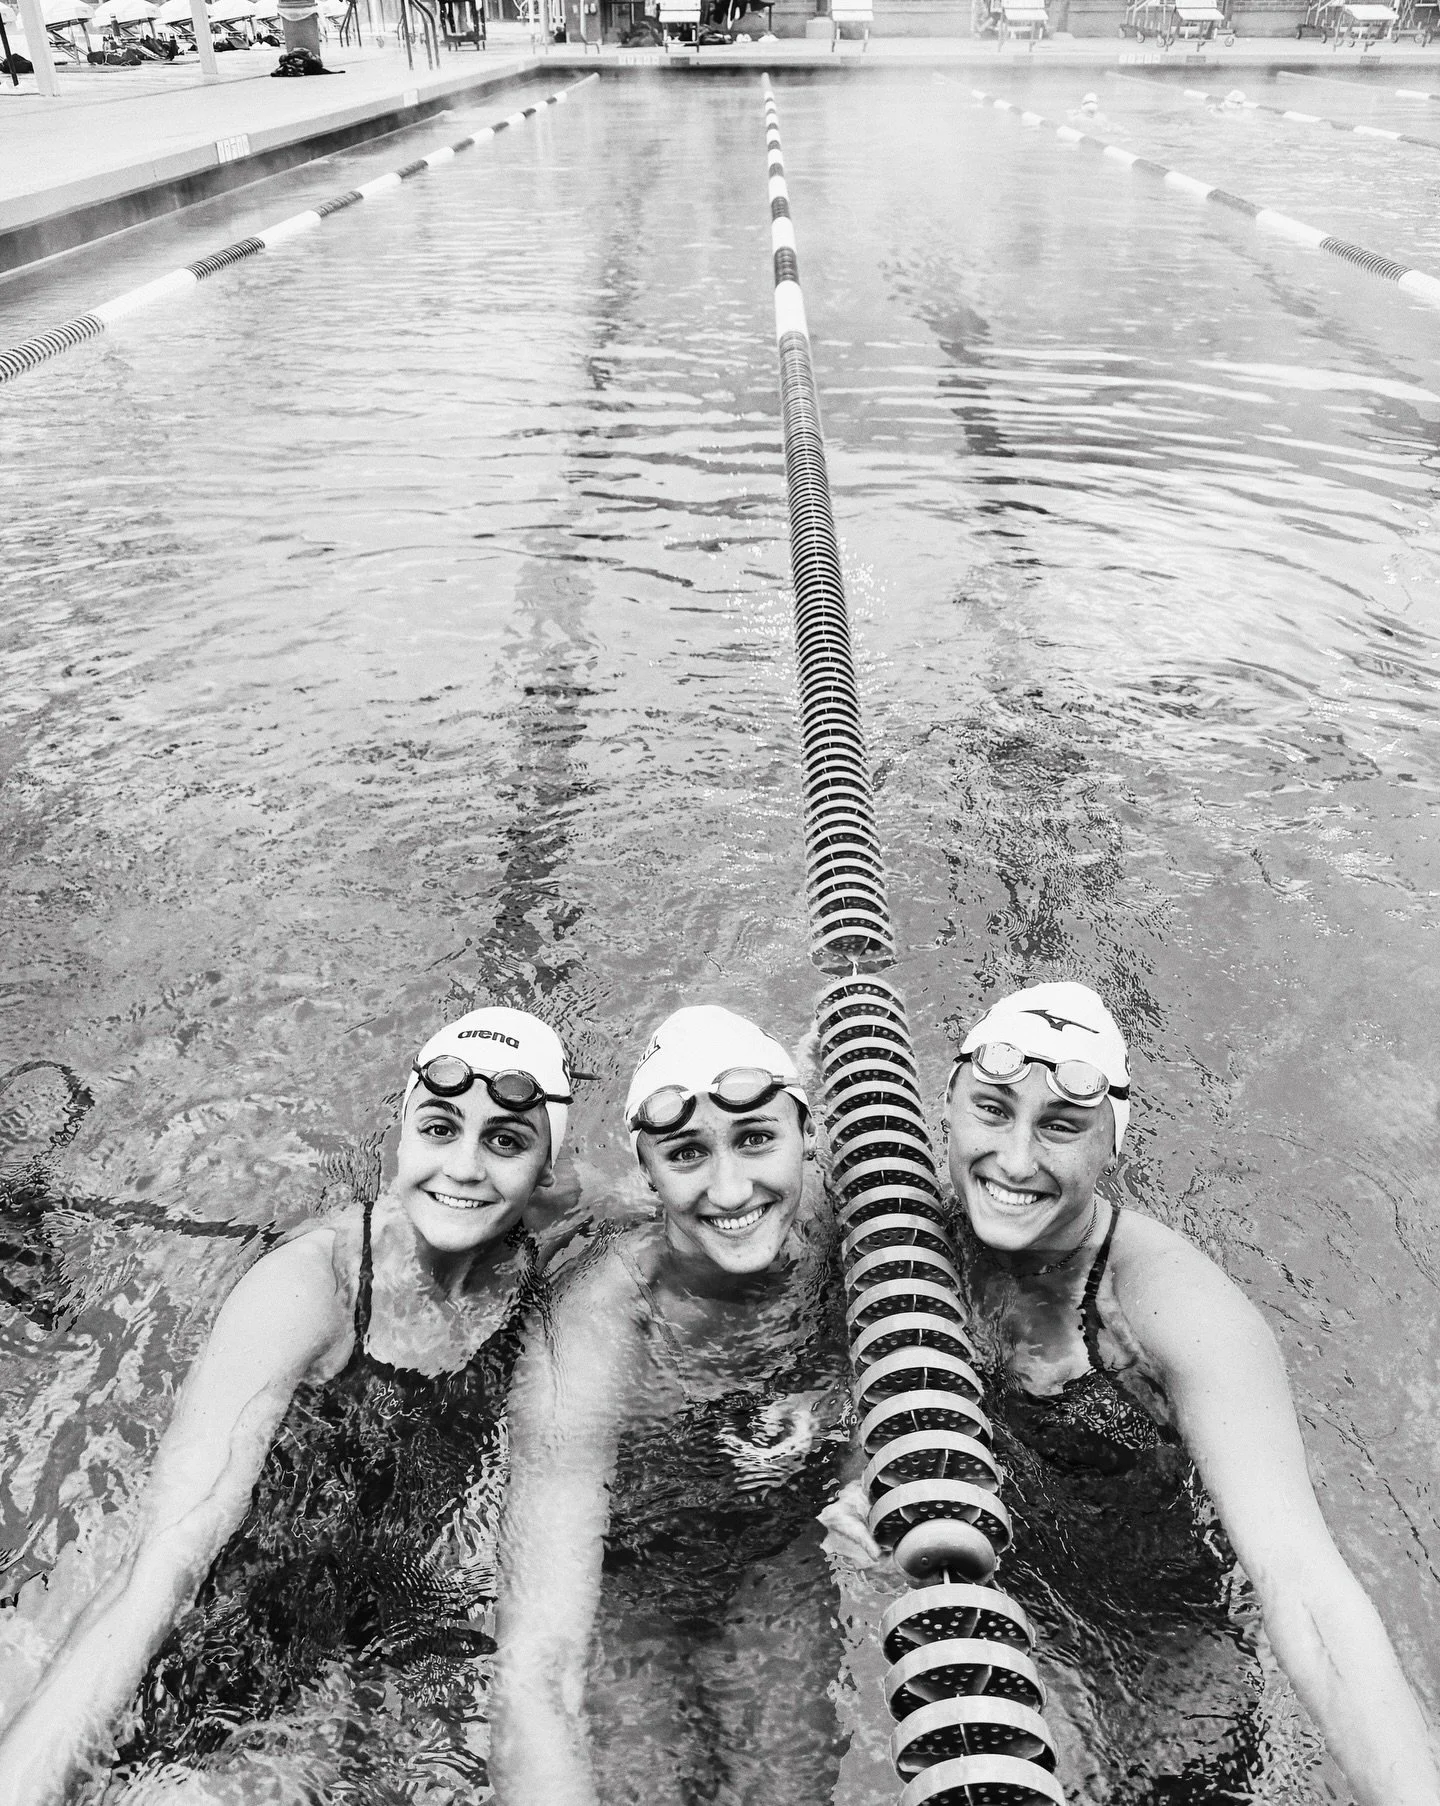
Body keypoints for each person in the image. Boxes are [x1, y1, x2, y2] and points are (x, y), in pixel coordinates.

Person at [822, 980, 1440, 1806]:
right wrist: (860, 1480)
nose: (1013, 1159)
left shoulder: (1171, 1308)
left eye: (1061, 1128)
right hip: (989, 1585)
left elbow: (1303, 1582)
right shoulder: (907, 1228)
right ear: (945, 1106)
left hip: (1151, 1622)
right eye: (992, 1110)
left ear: (1112, 1146)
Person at [0, 1006, 575, 1805]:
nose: (467, 1168)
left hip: (319, 1635)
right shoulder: (311, 1289)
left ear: (546, 1173)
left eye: (506, 1141)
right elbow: (163, 1564)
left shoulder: (532, 1264)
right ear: (398, 1140)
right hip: (152, 1599)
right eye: (439, 1128)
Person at [491, 1004, 853, 1806]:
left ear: (809, 1135)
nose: (731, 1188)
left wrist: (854, 1441)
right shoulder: (598, 1326)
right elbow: (538, 1655)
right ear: (649, 1173)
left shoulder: (841, 1220)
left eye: (758, 1139)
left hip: (773, 1554)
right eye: (688, 1153)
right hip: (630, 1589)